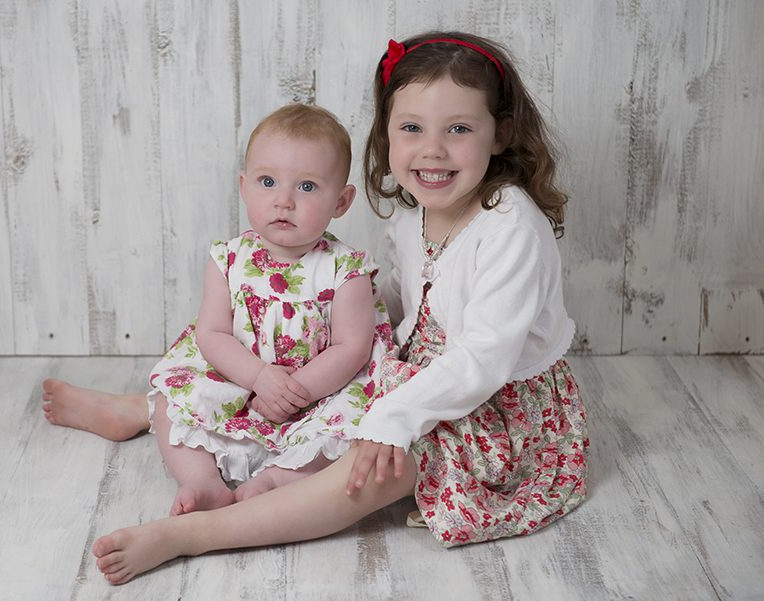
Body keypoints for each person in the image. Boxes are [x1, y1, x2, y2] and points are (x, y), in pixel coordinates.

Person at [88, 31, 589, 585]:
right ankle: (147, 408)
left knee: (366, 470)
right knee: (294, 381)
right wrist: (336, 361)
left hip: (493, 405)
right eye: (412, 128)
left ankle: (193, 535)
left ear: (502, 134)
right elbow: (400, 307)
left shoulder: (510, 225)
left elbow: (482, 360)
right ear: (387, 134)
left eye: (460, 129)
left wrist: (387, 416)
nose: (433, 150)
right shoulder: (412, 214)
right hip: (426, 374)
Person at [43, 104, 392, 516]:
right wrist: (259, 376)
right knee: (175, 402)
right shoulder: (228, 258)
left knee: (355, 431)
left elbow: (351, 349)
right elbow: (212, 335)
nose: (283, 201)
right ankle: (201, 480)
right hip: (239, 376)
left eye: (308, 187)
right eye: (267, 182)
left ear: (342, 200)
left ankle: (278, 478)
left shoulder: (345, 269)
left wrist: (297, 392)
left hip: (317, 390)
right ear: (244, 187)